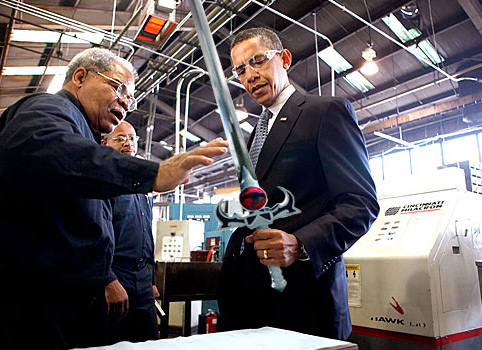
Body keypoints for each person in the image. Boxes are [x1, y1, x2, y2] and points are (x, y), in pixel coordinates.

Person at [0, 47, 228, 350]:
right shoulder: (48, 108)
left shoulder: (85, 137)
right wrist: (155, 172)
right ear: (80, 77)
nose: (125, 102)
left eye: (131, 98)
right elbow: (44, 147)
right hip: (41, 305)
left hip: (75, 302)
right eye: (118, 87)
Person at [216, 28, 379, 340]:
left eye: (258, 61)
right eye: (240, 70)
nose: (250, 76)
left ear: (285, 59)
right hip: (252, 297)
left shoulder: (325, 112)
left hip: (304, 299)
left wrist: (301, 243)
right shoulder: (255, 134)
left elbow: (360, 204)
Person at [101, 121, 159, 343]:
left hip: (142, 278)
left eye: (132, 138)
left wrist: (151, 280)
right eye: (121, 138)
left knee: (148, 341)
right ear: (104, 143)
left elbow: (147, 234)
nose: (128, 143)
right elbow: (95, 236)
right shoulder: (102, 182)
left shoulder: (141, 184)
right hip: (116, 274)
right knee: (112, 342)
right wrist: (108, 281)